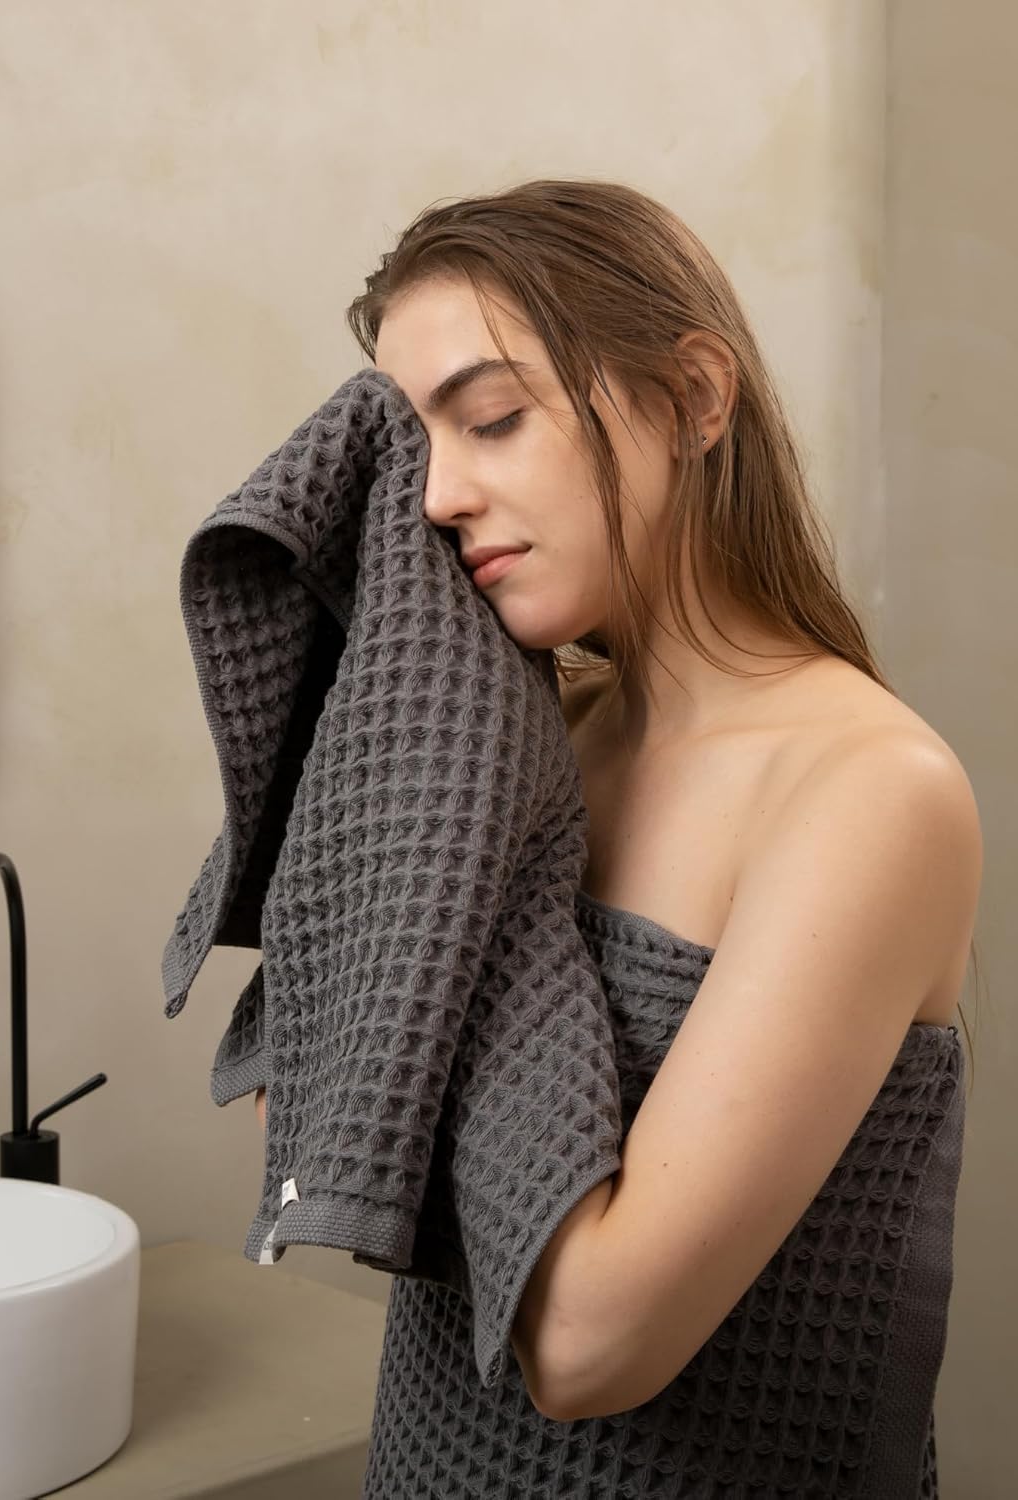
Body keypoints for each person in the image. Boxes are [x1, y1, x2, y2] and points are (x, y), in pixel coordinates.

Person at [263, 179, 983, 1497]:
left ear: (695, 398)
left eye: (492, 418)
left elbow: (589, 1346)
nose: (436, 497)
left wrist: (389, 1045)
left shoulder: (867, 793)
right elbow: (295, 1094)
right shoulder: (527, 751)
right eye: (418, 447)